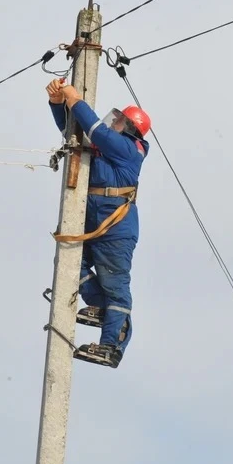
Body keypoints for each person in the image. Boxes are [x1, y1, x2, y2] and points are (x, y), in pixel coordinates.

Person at [46, 77, 151, 368]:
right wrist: (58, 103)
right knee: (69, 264)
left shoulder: (129, 149)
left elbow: (95, 129)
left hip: (115, 231)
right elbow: (75, 131)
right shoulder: (106, 148)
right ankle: (101, 308)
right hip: (91, 223)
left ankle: (111, 346)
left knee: (115, 284)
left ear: (129, 129)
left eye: (119, 121)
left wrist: (74, 98)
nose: (113, 123)